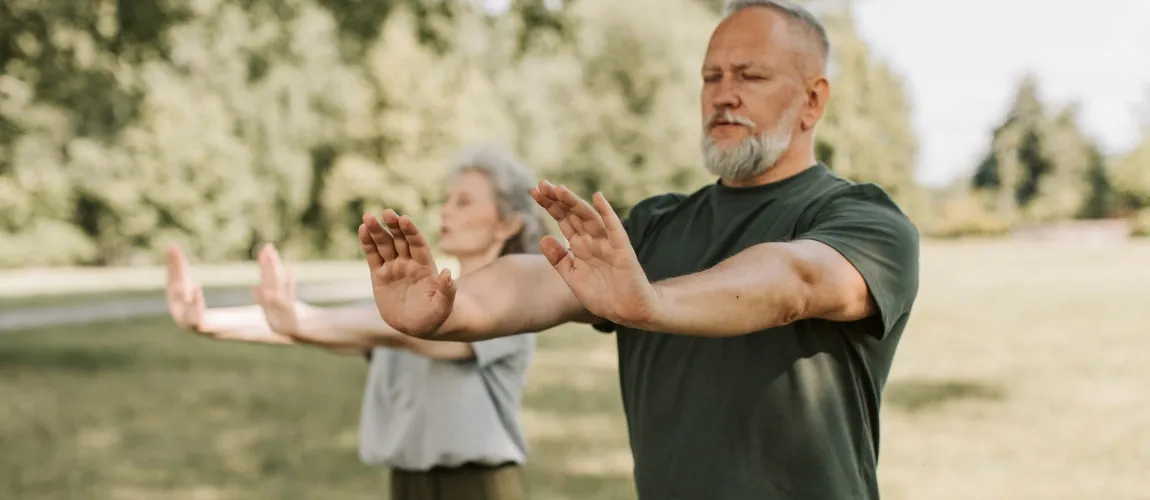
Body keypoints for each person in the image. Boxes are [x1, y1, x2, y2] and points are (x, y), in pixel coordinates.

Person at [356, 1, 921, 499]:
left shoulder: (865, 221)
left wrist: (652, 303)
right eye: (711, 76)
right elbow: (537, 280)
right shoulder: (655, 226)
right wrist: (449, 311)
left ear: (812, 100)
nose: (724, 95)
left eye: (750, 75)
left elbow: (796, 282)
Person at [164, 144, 546, 500]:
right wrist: (205, 321)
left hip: (479, 487)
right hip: (407, 482)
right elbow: (335, 325)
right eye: (448, 199)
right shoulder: (411, 302)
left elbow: (419, 335)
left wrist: (299, 321)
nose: (446, 210)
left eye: (464, 202)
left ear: (507, 225)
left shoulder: (511, 303)